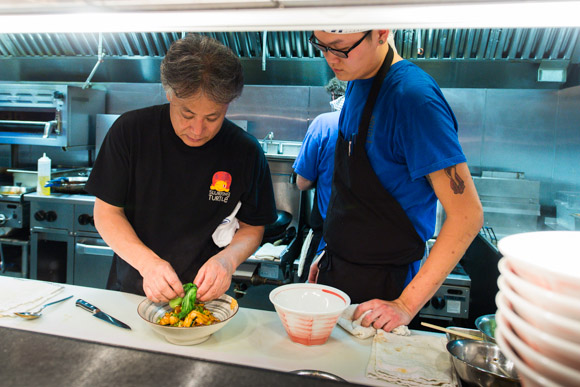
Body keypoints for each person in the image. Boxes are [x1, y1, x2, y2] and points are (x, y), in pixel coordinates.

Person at [307, 29, 484, 332]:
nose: (330, 59)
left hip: (384, 286)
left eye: (340, 48)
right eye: (320, 46)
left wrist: (404, 305)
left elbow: (468, 215)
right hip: (338, 268)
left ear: (381, 33)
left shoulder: (414, 99)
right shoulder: (357, 80)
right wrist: (329, 249)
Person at [85, 34, 277, 304]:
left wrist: (227, 262)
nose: (198, 130)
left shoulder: (245, 151)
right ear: (169, 92)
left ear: (228, 104)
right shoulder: (131, 133)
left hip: (207, 299)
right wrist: (148, 263)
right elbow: (106, 213)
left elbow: (252, 227)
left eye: (212, 117)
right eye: (187, 114)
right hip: (133, 291)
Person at [292, 77, 346, 282]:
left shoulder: (325, 124)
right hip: (370, 241)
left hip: (328, 236)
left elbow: (302, 182)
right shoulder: (381, 124)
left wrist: (323, 178)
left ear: (334, 96)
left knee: (312, 300)